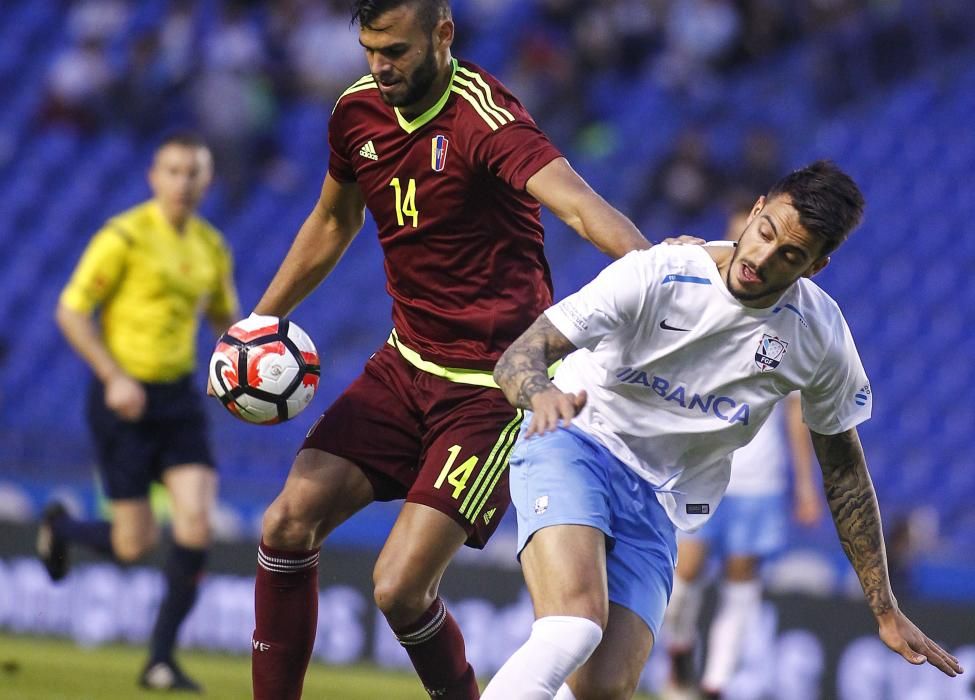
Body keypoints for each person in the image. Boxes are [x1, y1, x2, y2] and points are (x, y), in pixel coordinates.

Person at [235, 2, 652, 699]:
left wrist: (657, 271)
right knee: (284, 524)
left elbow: (578, 206)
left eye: (395, 50)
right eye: (369, 49)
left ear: (442, 35)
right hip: (403, 366)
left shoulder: (485, 118)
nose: (379, 65)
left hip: (491, 388)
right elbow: (333, 219)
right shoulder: (356, 112)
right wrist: (260, 320)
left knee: (398, 590)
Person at [485, 160, 964, 699]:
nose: (761, 258)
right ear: (756, 210)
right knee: (574, 626)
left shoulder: (820, 338)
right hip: (575, 439)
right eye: (764, 234)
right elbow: (520, 356)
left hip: (660, 496)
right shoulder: (660, 273)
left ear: (816, 267)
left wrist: (885, 608)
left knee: (604, 688)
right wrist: (539, 393)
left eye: (790, 256)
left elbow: (845, 473)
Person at [38, 132, 239, 692]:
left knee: (195, 523)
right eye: (173, 171)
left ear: (207, 180)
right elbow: (71, 312)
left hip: (177, 401)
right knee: (134, 543)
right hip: (122, 397)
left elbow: (226, 322)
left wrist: (246, 372)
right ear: (154, 176)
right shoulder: (122, 237)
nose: (183, 182)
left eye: (193, 172)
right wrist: (113, 376)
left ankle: (160, 660)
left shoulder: (211, 248)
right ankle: (61, 528)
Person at [661, 203, 822, 700]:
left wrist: (803, 483)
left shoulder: (790, 318)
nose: (752, 253)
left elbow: (795, 412)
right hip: (701, 464)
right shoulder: (699, 296)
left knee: (740, 582)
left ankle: (715, 685)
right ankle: (681, 647)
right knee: (683, 576)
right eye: (739, 238)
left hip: (759, 477)